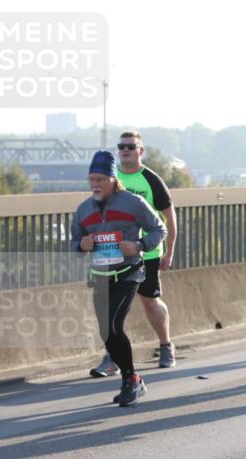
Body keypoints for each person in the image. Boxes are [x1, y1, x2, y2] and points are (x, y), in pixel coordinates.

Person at [72, 151, 165, 405]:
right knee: (106, 331)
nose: (95, 185)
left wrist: (139, 245)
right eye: (92, 179)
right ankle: (133, 380)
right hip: (100, 276)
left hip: (129, 272)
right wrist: (82, 244)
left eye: (101, 179)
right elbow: (72, 245)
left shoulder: (132, 202)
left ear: (113, 179)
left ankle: (129, 379)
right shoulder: (83, 210)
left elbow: (159, 229)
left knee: (113, 325)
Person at [90, 131, 178, 376]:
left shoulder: (150, 179)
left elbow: (169, 218)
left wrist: (169, 251)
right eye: (121, 146)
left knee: (149, 301)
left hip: (146, 254)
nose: (125, 150)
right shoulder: (110, 178)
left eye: (131, 146)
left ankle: (166, 346)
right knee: (114, 309)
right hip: (113, 255)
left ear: (141, 150)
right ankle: (112, 358)